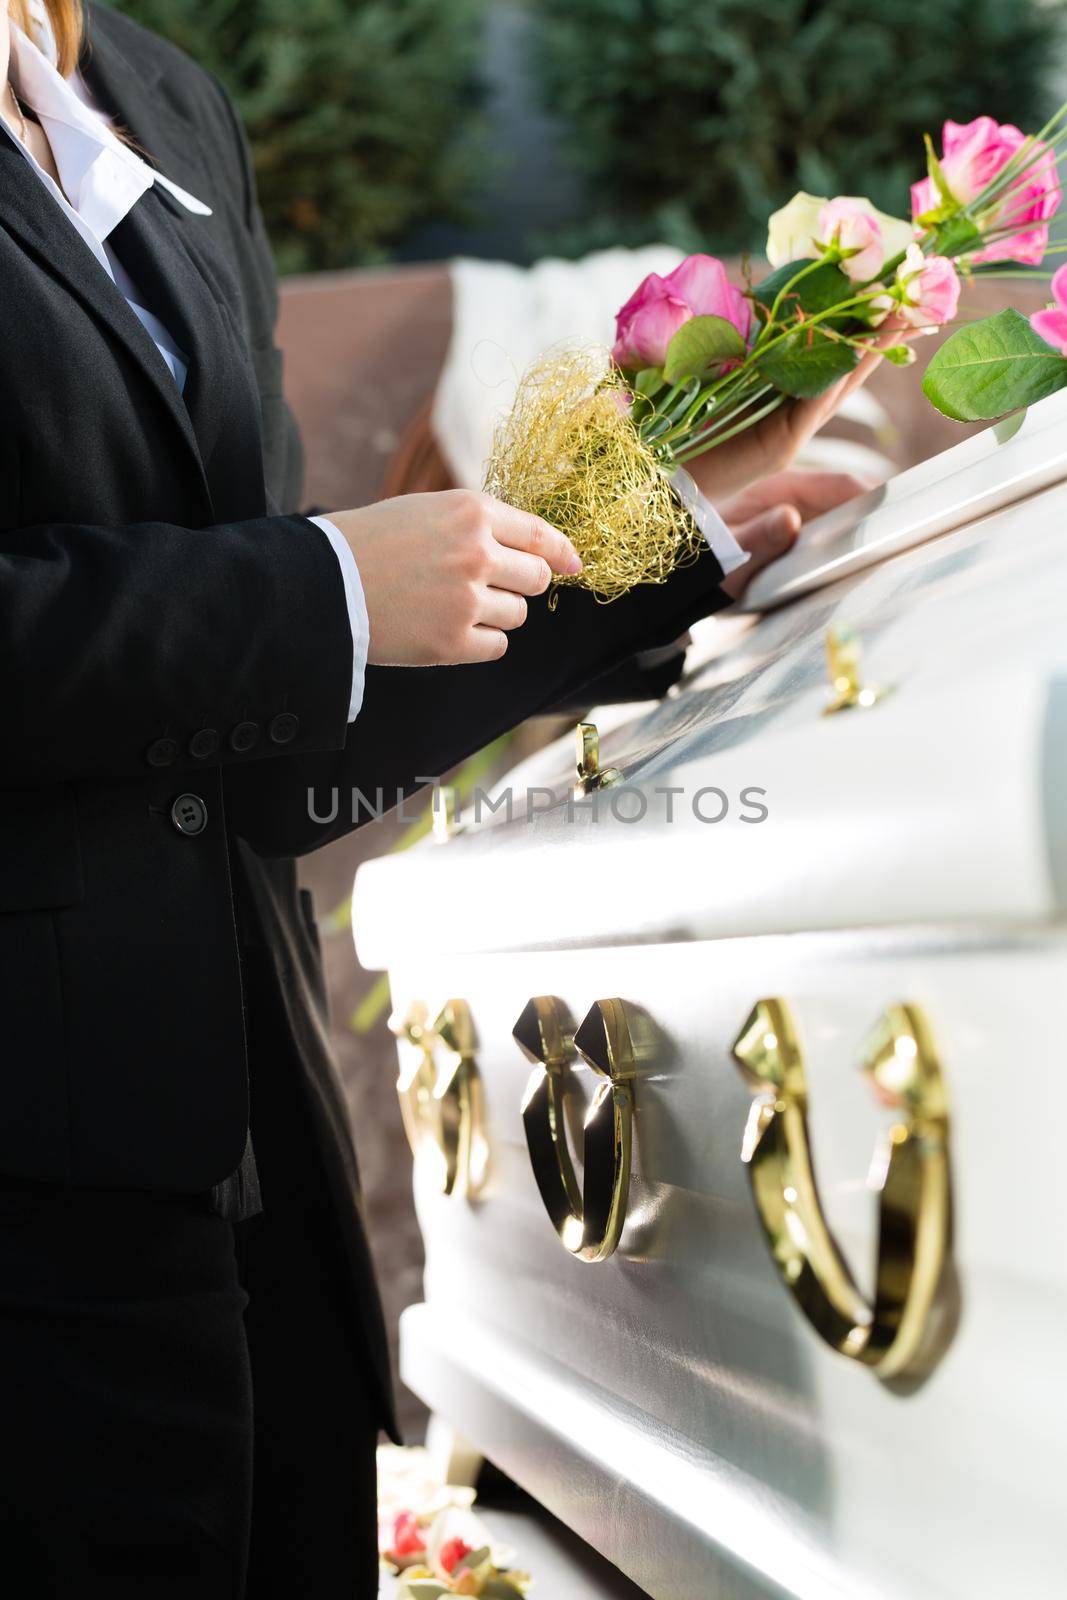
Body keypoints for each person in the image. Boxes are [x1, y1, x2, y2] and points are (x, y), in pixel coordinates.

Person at [0, 0, 878, 1593]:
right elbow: (289, 605)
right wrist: (317, 584)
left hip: (242, 1164)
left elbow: (254, 751)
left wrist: (668, 536)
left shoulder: (151, 91)